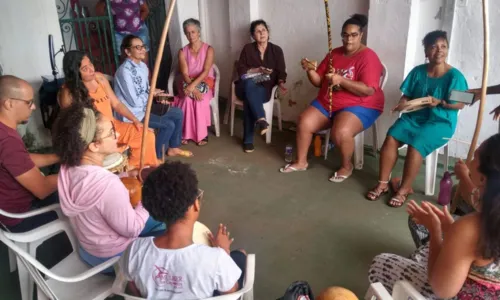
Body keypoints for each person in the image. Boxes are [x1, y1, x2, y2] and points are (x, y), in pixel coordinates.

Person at [368, 133, 500, 299]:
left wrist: (436, 232)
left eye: (475, 157)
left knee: (381, 263)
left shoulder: (473, 227)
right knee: (423, 235)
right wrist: (452, 230)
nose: (470, 162)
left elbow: (442, 291)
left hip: (451, 291)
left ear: (483, 177)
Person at [53, 104, 165, 273]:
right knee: (166, 216)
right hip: (115, 259)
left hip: (90, 251)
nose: (117, 135)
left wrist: (126, 175)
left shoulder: (67, 168)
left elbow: (95, 187)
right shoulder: (108, 185)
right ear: (94, 146)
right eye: (111, 133)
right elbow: (132, 228)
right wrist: (145, 198)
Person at [366, 30, 468, 207]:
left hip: (441, 121)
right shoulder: (418, 72)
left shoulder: (455, 76)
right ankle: (382, 184)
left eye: (443, 46)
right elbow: (407, 95)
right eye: (434, 46)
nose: (439, 50)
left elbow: (462, 104)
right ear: (426, 52)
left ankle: (404, 189)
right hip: (415, 117)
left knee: (416, 145)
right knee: (391, 137)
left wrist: (442, 102)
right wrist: (403, 104)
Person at [118, 161, 247, 299]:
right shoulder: (216, 259)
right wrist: (224, 252)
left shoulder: (134, 250)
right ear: (195, 205)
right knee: (241, 253)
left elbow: (134, 289)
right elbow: (232, 293)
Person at [280, 14, 384, 181]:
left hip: (361, 104)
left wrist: (341, 80)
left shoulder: (368, 57)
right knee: (304, 121)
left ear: (361, 35)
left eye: (353, 35)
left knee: (341, 131)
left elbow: (368, 90)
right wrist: (309, 70)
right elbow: (319, 82)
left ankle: (346, 166)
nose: (348, 39)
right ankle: (301, 162)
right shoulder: (334, 53)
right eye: (345, 35)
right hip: (328, 102)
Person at [58, 50, 158, 169]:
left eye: (90, 63)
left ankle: (135, 169)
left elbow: (116, 104)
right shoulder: (68, 93)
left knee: (146, 135)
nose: (91, 69)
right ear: (75, 73)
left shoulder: (99, 78)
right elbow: (74, 125)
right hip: (96, 136)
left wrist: (135, 120)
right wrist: (98, 138)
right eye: (85, 68)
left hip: (114, 126)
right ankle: (128, 173)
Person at [114, 35, 193, 158]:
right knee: (168, 124)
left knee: (177, 112)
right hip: (133, 114)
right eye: (137, 47)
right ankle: (156, 157)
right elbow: (134, 102)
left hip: (146, 107)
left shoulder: (142, 66)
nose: (142, 50)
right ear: (128, 51)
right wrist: (152, 95)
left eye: (143, 46)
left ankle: (173, 147)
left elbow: (143, 89)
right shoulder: (124, 72)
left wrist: (157, 93)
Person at [0, 75, 60, 232]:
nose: (33, 107)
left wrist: (60, 156)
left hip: (10, 211)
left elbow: (22, 160)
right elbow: (42, 189)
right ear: (9, 103)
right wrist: (80, 172)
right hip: (21, 217)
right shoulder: (7, 140)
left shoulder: (4, 131)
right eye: (29, 102)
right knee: (81, 198)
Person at [236, 19, 287, 153]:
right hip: (247, 83)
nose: (261, 33)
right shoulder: (248, 49)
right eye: (258, 31)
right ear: (253, 36)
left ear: (268, 32)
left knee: (250, 98)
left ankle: (248, 139)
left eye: (263, 30)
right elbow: (240, 69)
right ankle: (261, 118)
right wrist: (257, 70)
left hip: (266, 88)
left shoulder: (276, 50)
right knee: (248, 85)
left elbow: (281, 71)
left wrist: (281, 82)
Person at [409, 158, 480, 248]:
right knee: (456, 191)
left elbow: (482, 202)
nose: (470, 162)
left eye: (476, 158)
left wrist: (465, 177)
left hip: (486, 233)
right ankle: (444, 245)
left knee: (416, 219)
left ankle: (428, 252)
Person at [173, 18, 215, 146]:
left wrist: (193, 87)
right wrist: (191, 86)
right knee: (186, 100)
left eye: (193, 32)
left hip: (205, 82)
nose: (190, 35)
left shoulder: (209, 49)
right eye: (187, 33)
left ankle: (202, 134)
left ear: (199, 32)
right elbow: (184, 73)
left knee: (200, 99)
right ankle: (186, 133)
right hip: (187, 81)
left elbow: (206, 71)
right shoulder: (182, 51)